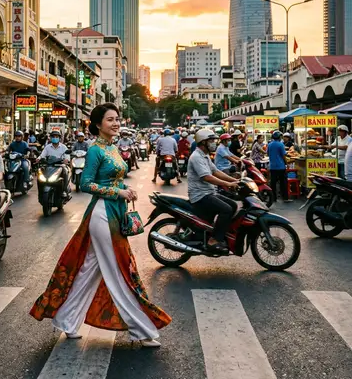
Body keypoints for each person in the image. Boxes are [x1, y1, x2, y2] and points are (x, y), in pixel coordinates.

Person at [30, 103, 171, 347]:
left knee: (88, 269)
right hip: (102, 214)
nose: (116, 123)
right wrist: (118, 193)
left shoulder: (114, 148)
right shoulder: (95, 150)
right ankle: (142, 329)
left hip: (114, 212)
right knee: (119, 270)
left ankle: (66, 319)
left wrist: (124, 191)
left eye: (117, 119)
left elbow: (115, 179)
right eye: (110, 120)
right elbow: (86, 184)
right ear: (98, 125)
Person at [187, 129, 239, 253]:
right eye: (211, 141)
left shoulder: (205, 156)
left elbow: (215, 171)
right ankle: (214, 240)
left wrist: (235, 181)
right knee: (226, 209)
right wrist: (228, 184)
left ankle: (221, 232)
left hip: (209, 193)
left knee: (233, 205)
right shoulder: (196, 157)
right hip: (200, 195)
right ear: (203, 142)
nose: (214, 143)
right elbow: (207, 177)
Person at [40, 129, 71, 197]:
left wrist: (66, 160)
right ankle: (40, 191)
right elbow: (42, 155)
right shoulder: (47, 147)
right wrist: (38, 159)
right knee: (40, 172)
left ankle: (64, 190)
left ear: (59, 138)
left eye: (57, 137)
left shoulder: (63, 147)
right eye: (53, 137)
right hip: (49, 166)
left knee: (65, 171)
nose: (55, 138)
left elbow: (67, 157)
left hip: (60, 166)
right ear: (51, 138)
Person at [267, 131, 291, 203]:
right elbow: (284, 156)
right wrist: (287, 164)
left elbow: (267, 153)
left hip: (272, 167)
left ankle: (273, 198)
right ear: (279, 137)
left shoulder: (270, 144)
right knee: (283, 183)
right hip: (281, 167)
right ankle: (285, 198)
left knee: (273, 183)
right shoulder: (281, 144)